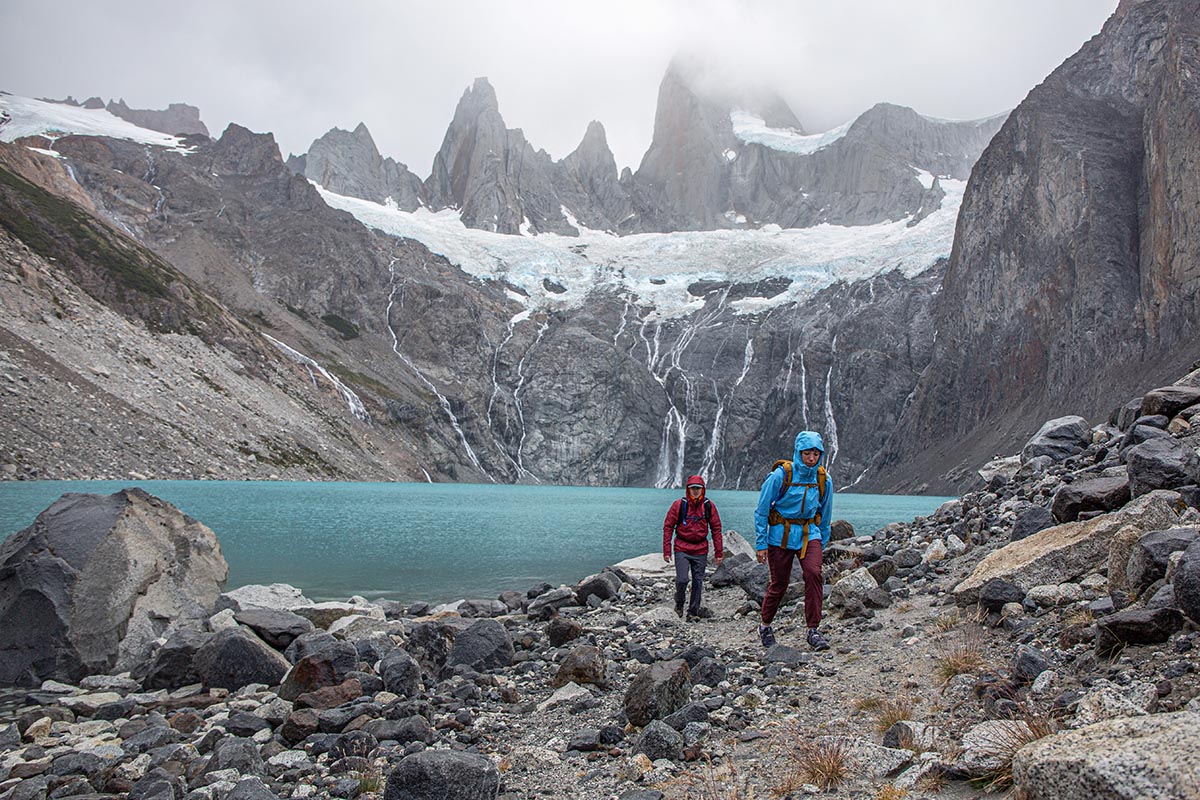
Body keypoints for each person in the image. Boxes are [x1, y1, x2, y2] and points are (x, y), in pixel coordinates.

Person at [754, 431, 833, 650]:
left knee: (814, 574)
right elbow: (761, 511)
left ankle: (813, 630)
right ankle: (765, 625)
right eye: (807, 453)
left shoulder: (823, 479)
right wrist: (761, 544)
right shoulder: (781, 476)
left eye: (816, 453)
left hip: (810, 533)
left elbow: (825, 513)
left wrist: (822, 542)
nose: (811, 458)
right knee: (779, 583)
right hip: (781, 533)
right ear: (799, 453)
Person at [663, 474, 723, 620]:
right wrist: (667, 550)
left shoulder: (708, 505)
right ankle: (679, 603)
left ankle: (692, 612)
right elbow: (668, 527)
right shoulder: (679, 505)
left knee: (698, 581)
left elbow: (716, 528)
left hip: (701, 548)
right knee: (682, 579)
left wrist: (718, 552)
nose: (695, 491)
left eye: (698, 488)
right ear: (687, 490)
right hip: (682, 547)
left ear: (703, 489)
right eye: (692, 488)